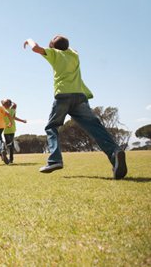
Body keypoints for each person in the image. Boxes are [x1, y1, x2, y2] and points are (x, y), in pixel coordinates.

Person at [23, 36, 127, 179]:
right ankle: (115, 152)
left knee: (51, 127)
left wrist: (29, 40)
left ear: (53, 47)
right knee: (95, 127)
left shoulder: (54, 54)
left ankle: (55, 160)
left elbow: (35, 48)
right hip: (79, 96)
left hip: (63, 95)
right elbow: (67, 46)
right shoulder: (74, 54)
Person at [1, 99, 27, 163]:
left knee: (8, 144)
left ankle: (7, 154)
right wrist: (22, 120)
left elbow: (2, 105)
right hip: (12, 128)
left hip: (6, 129)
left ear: (3, 105)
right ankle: (11, 159)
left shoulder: (3, 111)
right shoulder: (12, 110)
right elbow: (15, 117)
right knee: (10, 146)